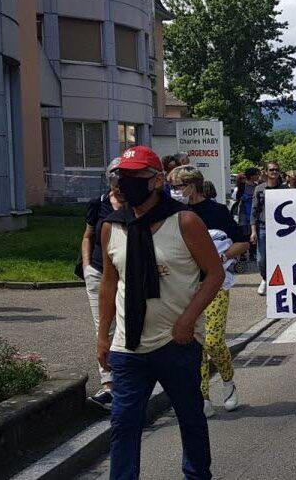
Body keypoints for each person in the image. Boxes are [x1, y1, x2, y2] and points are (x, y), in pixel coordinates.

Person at [96, 146, 225, 480]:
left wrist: (188, 319)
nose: (125, 183)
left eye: (134, 176)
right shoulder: (112, 226)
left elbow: (214, 274)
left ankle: (197, 475)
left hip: (176, 343)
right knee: (123, 424)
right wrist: (102, 336)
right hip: (128, 346)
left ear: (155, 181)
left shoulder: (184, 221)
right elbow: (110, 284)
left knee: (190, 418)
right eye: (120, 176)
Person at [168, 166, 248, 417]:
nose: (174, 192)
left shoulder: (216, 211)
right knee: (194, 343)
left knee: (212, 341)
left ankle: (227, 381)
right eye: (172, 187)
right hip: (183, 287)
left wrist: (220, 257)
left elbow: (243, 242)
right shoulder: (172, 213)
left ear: (193, 186)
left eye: (178, 186)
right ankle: (202, 395)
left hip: (215, 285)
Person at [81, 158, 124, 410]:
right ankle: (108, 385)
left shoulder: (135, 205)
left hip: (125, 273)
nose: (118, 185)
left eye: (122, 180)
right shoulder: (98, 203)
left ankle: (126, 380)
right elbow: (87, 236)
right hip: (98, 271)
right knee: (103, 327)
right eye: (115, 180)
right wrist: (87, 266)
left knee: (124, 324)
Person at [250, 161, 286, 296]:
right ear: (266, 172)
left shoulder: (285, 189)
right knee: (261, 258)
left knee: (281, 256)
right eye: (271, 170)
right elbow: (253, 211)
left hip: (281, 228)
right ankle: (265, 278)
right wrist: (253, 231)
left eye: (276, 170)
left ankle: (281, 281)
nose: (274, 172)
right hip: (263, 227)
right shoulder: (259, 189)